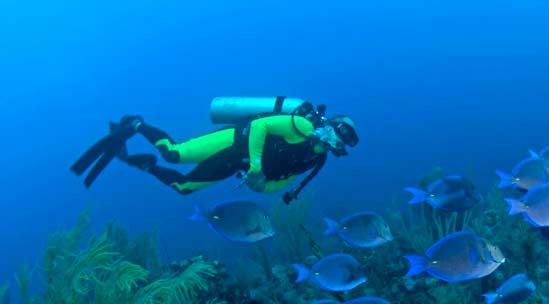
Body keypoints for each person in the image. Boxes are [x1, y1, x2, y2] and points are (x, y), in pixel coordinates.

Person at [71, 97, 358, 204]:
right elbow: (260, 128)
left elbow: (285, 183)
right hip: (233, 142)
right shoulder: (300, 125)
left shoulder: (316, 159)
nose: (339, 141)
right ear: (331, 124)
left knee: (183, 188)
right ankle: (137, 125)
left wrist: (260, 185)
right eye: (340, 132)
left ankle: (146, 164)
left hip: (237, 165)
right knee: (174, 154)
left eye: (345, 141)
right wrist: (257, 166)